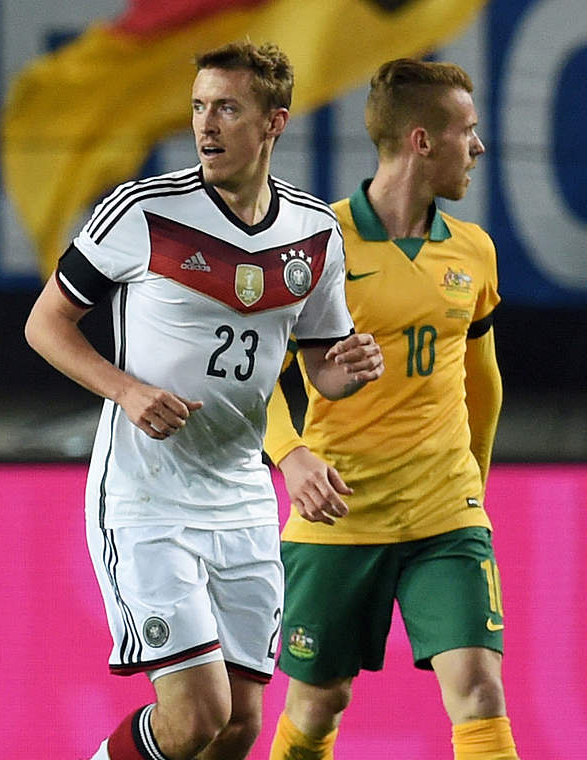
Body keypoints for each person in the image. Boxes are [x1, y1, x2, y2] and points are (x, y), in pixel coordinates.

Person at [25, 41, 384, 760]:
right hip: (147, 495)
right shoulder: (144, 212)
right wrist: (126, 390)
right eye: (198, 106)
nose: (205, 124)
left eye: (227, 107)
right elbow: (44, 324)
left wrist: (355, 365)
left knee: (241, 725)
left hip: (243, 495)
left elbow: (322, 371)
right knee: (195, 715)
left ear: (274, 122)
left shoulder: (313, 234)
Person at [263, 59, 515, 760]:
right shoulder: (317, 248)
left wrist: (472, 489)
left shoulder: (476, 251)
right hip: (340, 519)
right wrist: (294, 454)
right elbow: (249, 385)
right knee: (318, 706)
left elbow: (482, 380)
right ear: (421, 141)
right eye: (467, 131)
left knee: (480, 689)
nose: (480, 146)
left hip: (446, 517)